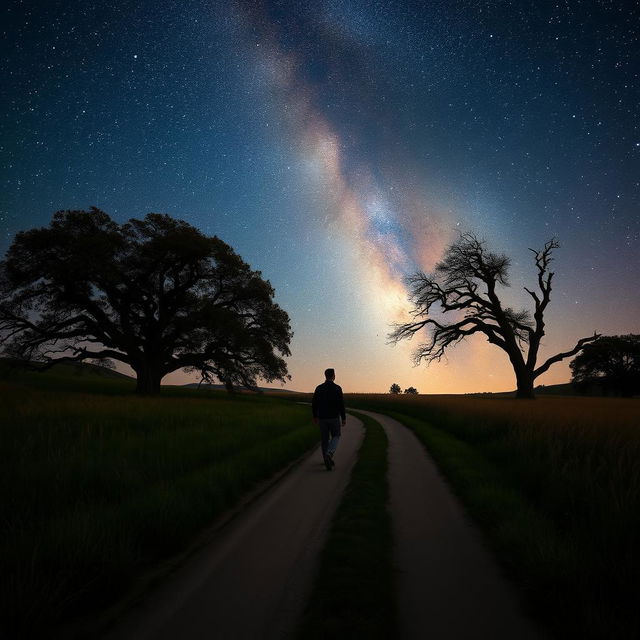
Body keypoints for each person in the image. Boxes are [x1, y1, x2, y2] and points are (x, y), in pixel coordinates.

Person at [312, 368, 346, 471]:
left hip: (322, 418)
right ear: (333, 376)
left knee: (324, 440)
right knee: (336, 435)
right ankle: (329, 454)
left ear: (325, 376)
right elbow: (341, 405)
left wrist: (315, 416)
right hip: (334, 418)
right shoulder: (337, 388)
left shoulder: (319, 388)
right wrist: (343, 417)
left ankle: (326, 459)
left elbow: (314, 404)